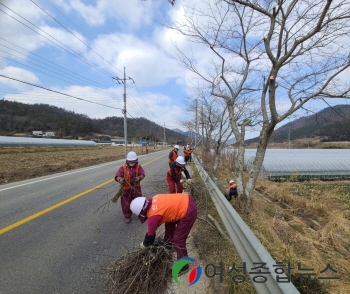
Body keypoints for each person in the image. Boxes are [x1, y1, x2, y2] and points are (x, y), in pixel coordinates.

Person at [130, 193, 197, 275]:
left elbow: (150, 235)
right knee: (169, 221)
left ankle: (184, 265)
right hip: (186, 199)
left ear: (140, 212)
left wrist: (145, 245)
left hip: (188, 211)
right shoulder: (154, 198)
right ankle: (168, 243)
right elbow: (158, 222)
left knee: (178, 239)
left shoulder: (153, 215)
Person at [114, 151, 145, 223]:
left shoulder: (139, 167)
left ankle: (140, 213)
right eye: (130, 162)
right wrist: (120, 179)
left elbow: (142, 174)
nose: (131, 163)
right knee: (125, 203)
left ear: (136, 160)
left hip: (136, 189)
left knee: (139, 202)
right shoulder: (122, 168)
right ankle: (127, 215)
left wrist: (138, 178)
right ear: (127, 161)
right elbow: (117, 176)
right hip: (125, 190)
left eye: (133, 162)